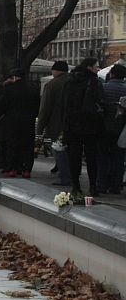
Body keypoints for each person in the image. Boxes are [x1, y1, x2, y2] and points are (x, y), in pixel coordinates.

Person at [61, 57, 103, 197]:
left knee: (74, 156)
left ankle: (76, 186)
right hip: (91, 125)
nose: (98, 68)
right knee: (92, 157)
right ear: (89, 67)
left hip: (72, 125)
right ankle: (93, 186)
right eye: (96, 66)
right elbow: (100, 103)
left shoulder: (70, 82)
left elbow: (65, 105)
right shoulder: (95, 82)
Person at [0, 69, 40, 179]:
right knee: (28, 146)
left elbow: (2, 106)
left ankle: (12, 169)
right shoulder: (34, 89)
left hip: (12, 122)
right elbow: (37, 107)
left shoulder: (10, 89)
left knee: (12, 145)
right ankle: (27, 169)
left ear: (15, 77)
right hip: (28, 122)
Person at [36, 61, 70, 186]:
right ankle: (73, 176)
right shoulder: (74, 81)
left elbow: (45, 108)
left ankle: (65, 177)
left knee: (59, 151)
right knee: (71, 152)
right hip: (76, 124)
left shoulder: (52, 84)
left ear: (56, 70)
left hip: (57, 124)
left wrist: (39, 129)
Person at [98, 63, 126, 194]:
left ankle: (102, 184)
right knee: (119, 158)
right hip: (121, 129)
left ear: (112, 74)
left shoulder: (103, 87)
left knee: (103, 156)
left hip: (104, 127)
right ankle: (116, 185)